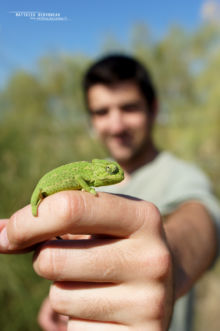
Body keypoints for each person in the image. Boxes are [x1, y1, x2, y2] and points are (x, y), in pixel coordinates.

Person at [0, 54, 220, 331]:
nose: (116, 125)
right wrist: (70, 293)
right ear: (91, 121)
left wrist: (170, 257)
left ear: (153, 109)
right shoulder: (100, 177)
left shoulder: (181, 175)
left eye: (129, 108)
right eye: (102, 112)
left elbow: (201, 220)